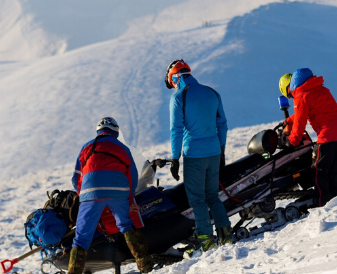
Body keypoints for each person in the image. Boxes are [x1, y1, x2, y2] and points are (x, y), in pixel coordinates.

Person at [165, 59, 232, 257]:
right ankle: (226, 235)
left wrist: (175, 159)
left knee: (197, 200)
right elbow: (223, 124)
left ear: (175, 78)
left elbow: (176, 130)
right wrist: (221, 150)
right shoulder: (212, 92)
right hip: (214, 152)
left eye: (172, 83)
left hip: (194, 154)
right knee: (213, 196)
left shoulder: (179, 97)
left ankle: (206, 240)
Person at [69, 117, 152, 274]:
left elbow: (76, 178)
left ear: (98, 132)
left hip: (89, 193)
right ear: (116, 132)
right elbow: (132, 176)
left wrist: (85, 195)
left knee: (81, 238)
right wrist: (129, 197)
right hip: (118, 192)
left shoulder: (86, 147)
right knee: (126, 226)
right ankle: (145, 264)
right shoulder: (122, 147)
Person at [279, 68, 337, 207]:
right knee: (333, 170)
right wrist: (289, 120)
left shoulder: (301, 96)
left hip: (328, 135)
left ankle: (323, 203)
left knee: (318, 171)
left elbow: (300, 123)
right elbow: (308, 110)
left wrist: (291, 142)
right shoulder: (321, 89)